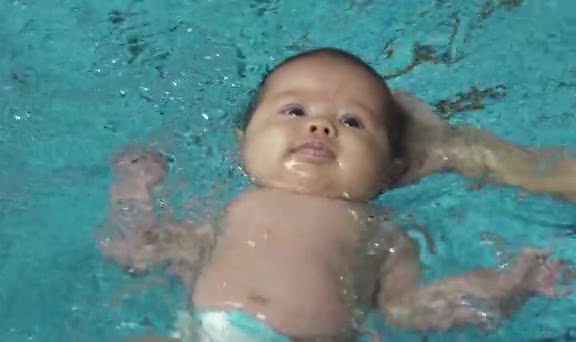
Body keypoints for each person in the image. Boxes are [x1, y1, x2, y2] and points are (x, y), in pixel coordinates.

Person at [98, 48, 575, 341]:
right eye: (294, 109)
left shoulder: (383, 235)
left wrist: (512, 286)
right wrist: (135, 188)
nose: (319, 125)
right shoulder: (227, 212)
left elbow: (411, 309)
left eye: (352, 122)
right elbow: (135, 248)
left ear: (393, 169)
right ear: (242, 142)